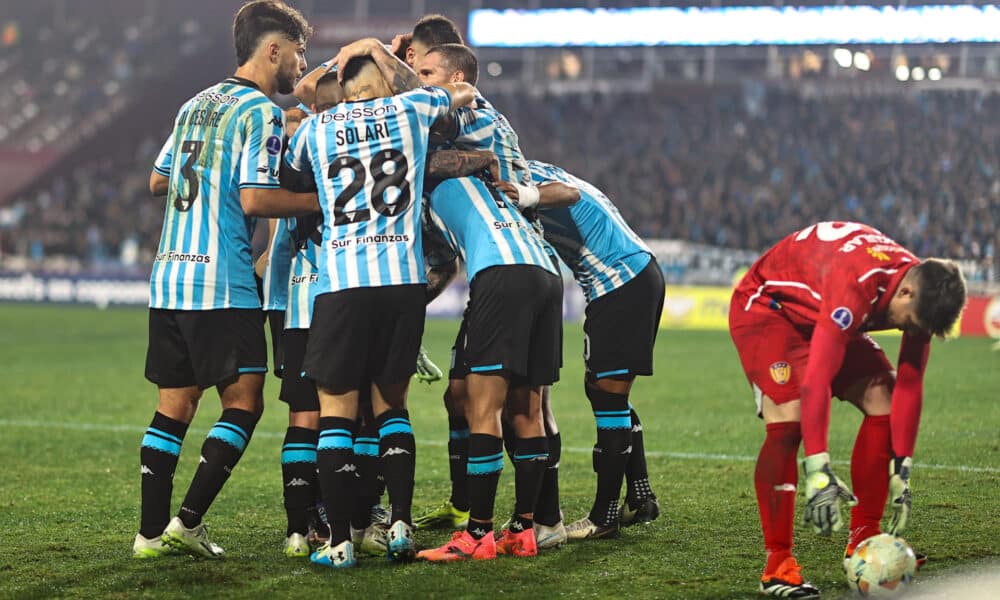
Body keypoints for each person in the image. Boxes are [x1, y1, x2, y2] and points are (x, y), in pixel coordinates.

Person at [134, 0, 317, 560]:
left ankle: (148, 535)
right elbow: (257, 198)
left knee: (174, 407)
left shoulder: (196, 104)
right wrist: (326, 198)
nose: (300, 64)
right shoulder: (258, 111)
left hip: (169, 279)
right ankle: (187, 523)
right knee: (245, 403)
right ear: (273, 49)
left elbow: (157, 181)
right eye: (298, 51)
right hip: (222, 282)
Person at [282, 38, 474, 569]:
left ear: (344, 89)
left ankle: (340, 541)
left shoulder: (318, 129)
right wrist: (380, 54)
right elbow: (463, 91)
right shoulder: (411, 106)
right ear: (386, 79)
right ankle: (401, 526)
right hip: (402, 284)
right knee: (393, 409)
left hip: (342, 284)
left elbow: (292, 162)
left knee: (336, 416)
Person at [728, 221, 966, 598]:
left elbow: (909, 383)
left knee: (884, 398)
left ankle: (864, 539)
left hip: (823, 314)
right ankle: (777, 565)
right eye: (910, 324)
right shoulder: (857, 282)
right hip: (770, 310)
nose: (910, 331)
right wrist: (818, 468)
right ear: (904, 293)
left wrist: (902, 465)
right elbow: (816, 381)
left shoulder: (922, 287)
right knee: (790, 421)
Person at [503, 159, 665, 540]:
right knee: (605, 391)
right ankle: (639, 494)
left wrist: (526, 196)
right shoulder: (538, 167)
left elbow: (569, 196)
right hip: (635, 275)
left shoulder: (522, 178)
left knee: (607, 399)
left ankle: (603, 517)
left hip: (618, 283)